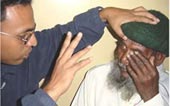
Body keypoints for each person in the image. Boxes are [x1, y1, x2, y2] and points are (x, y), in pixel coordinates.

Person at [0, 0, 160, 106]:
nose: (34, 42)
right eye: (24, 36)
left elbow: (61, 37)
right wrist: (50, 92)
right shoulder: (97, 78)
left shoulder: (28, 54)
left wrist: (104, 14)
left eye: (32, 32)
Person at [71, 10, 169, 106]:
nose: (122, 59)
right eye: (123, 46)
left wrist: (151, 97)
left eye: (136, 52)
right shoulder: (97, 76)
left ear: (159, 57)